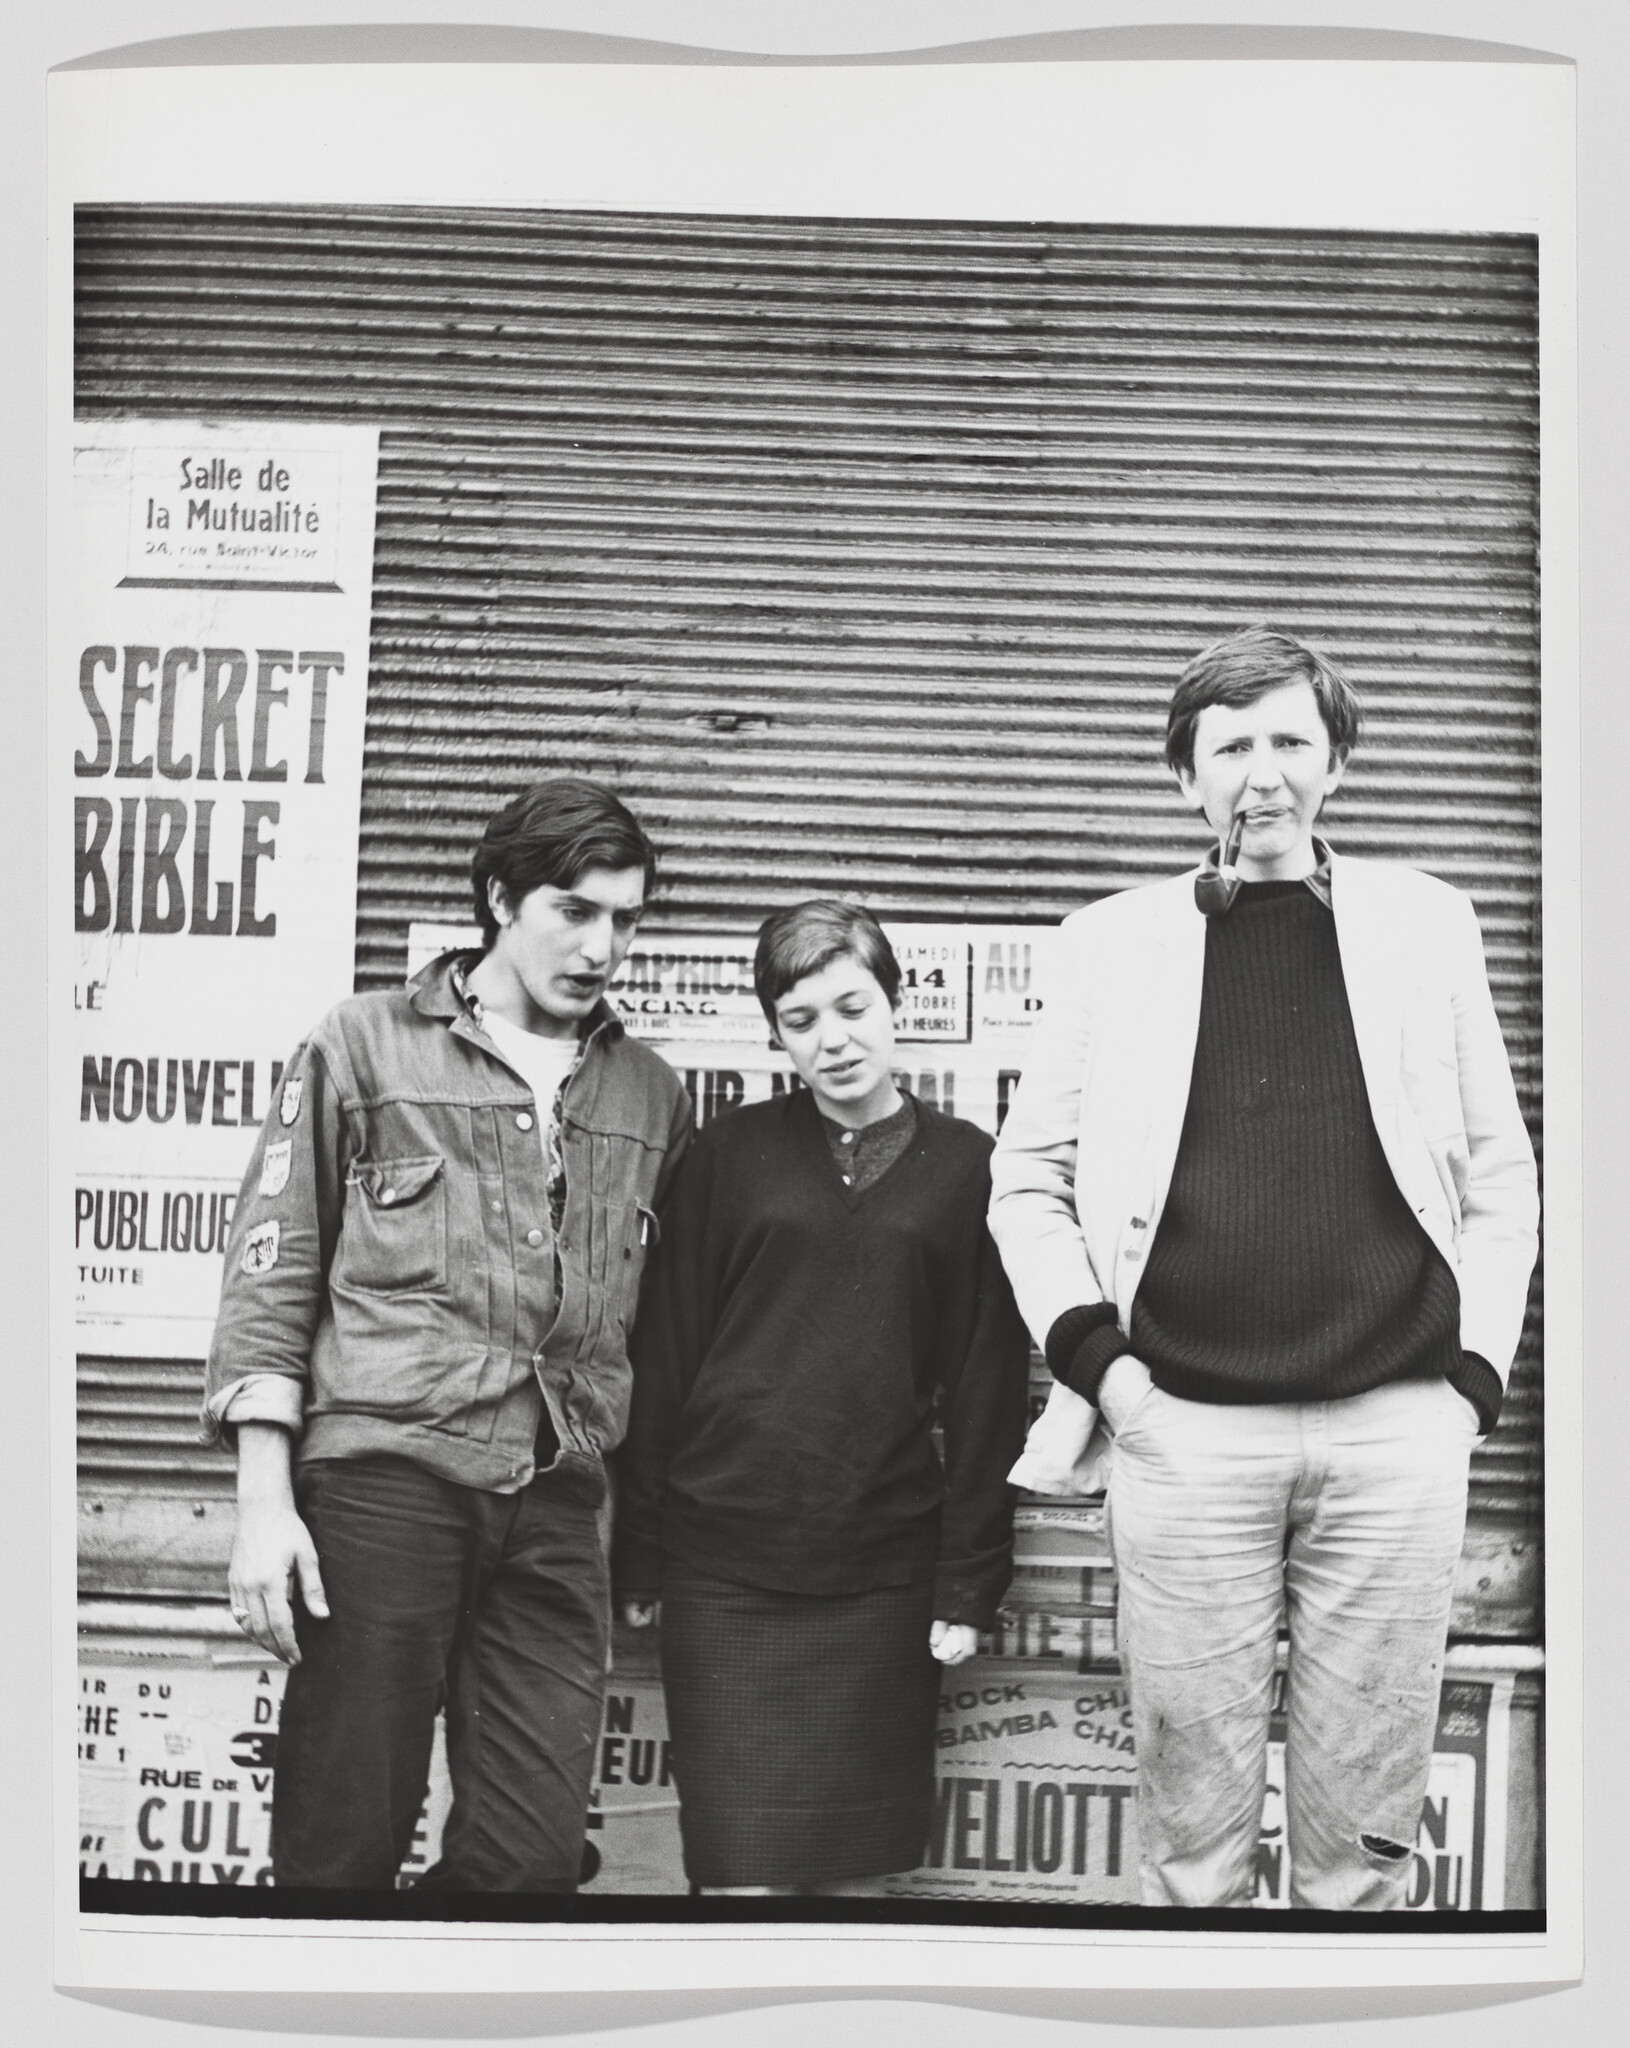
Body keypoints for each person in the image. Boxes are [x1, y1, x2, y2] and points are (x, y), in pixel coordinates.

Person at [988, 625, 1539, 1911]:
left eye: (1290, 740)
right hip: (1180, 1429)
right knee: (1190, 1838)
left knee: (1366, 1840)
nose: (1263, 773)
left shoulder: (1426, 923)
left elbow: (1499, 1172)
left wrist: (1469, 1384)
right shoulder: (1108, 940)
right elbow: (1027, 1180)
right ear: (1185, 774)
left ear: (1336, 760)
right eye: (1230, 746)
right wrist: (1106, 1372)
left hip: (1397, 1424)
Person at [202, 777, 693, 1891]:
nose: (603, 945)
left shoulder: (647, 1090)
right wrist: (262, 1505)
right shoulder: (362, 1044)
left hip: (562, 1495)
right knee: (341, 1834)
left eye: (625, 918)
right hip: (385, 1486)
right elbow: (269, 1275)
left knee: (529, 1857)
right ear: (498, 897)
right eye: (574, 909)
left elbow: (659, 1322)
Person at [613, 900, 1031, 1895]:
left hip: (882, 1566)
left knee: (855, 1881)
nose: (832, 1038)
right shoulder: (725, 1156)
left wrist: (969, 1579)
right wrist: (641, 1545)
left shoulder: (970, 1167)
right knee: (738, 1876)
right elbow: (662, 1358)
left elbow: (986, 1387)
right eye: (801, 1018)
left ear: (897, 1004)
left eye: (852, 1005)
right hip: (722, 1564)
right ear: (773, 1033)